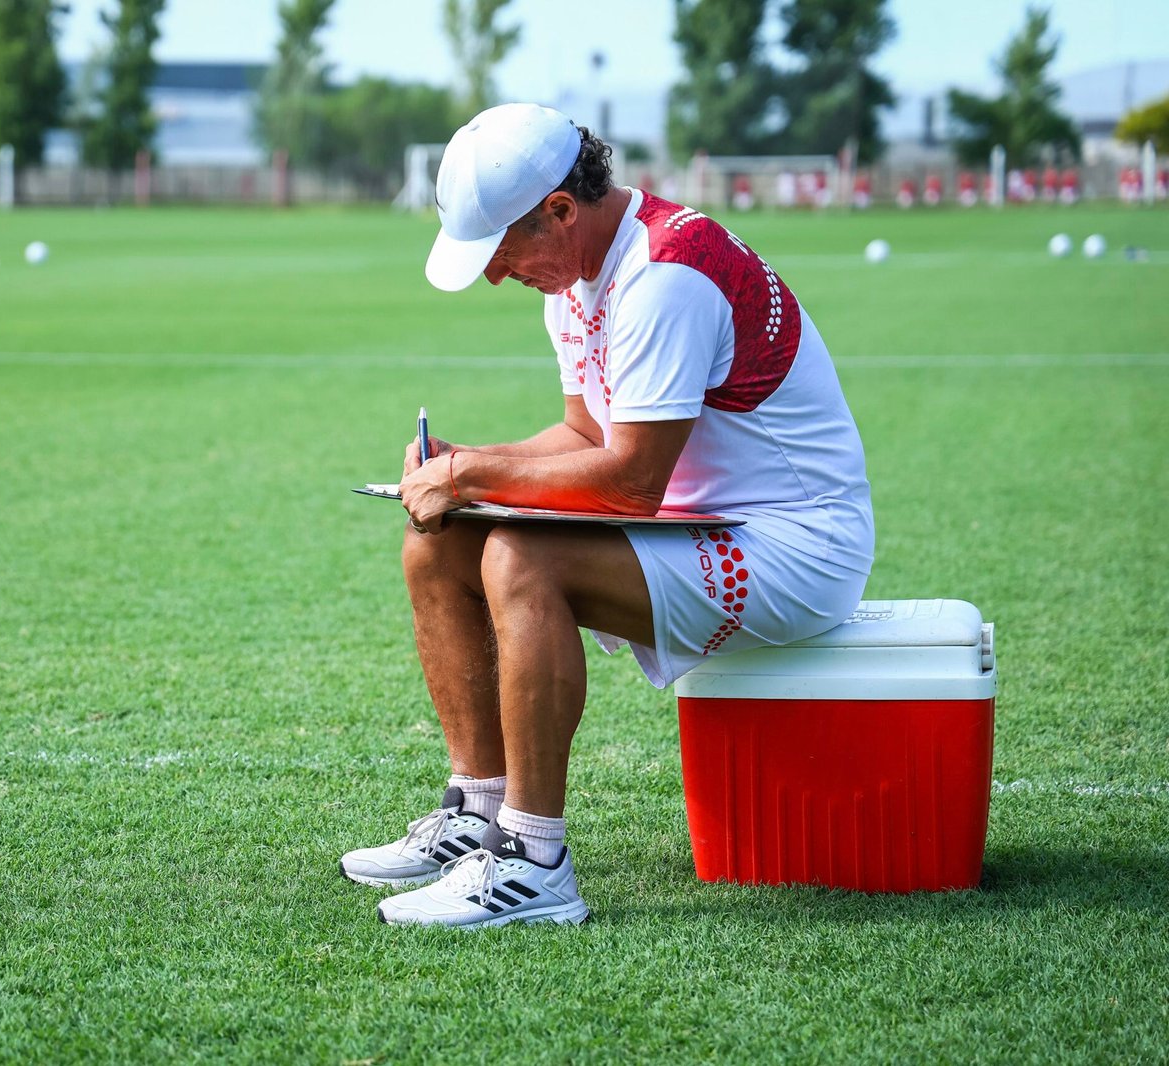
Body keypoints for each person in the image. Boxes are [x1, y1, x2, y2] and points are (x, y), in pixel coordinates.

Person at [339, 103, 874, 928]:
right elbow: (587, 433)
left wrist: (475, 473)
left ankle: (533, 861)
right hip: (702, 526)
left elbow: (629, 484)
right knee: (437, 545)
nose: (493, 274)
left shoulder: (666, 273)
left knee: (522, 558)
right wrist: (462, 467)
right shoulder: (577, 270)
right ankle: (477, 813)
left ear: (560, 210)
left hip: (796, 546)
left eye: (503, 249)